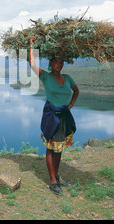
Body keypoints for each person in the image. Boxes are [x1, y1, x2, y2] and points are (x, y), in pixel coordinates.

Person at [29, 36, 79, 195]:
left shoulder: (68, 78)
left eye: (61, 61)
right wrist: (31, 46)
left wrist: (70, 105)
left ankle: (56, 176)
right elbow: (32, 64)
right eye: (56, 61)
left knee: (60, 147)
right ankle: (52, 181)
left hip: (64, 115)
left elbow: (76, 91)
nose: (59, 64)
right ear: (50, 63)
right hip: (52, 115)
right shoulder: (46, 76)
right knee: (52, 148)